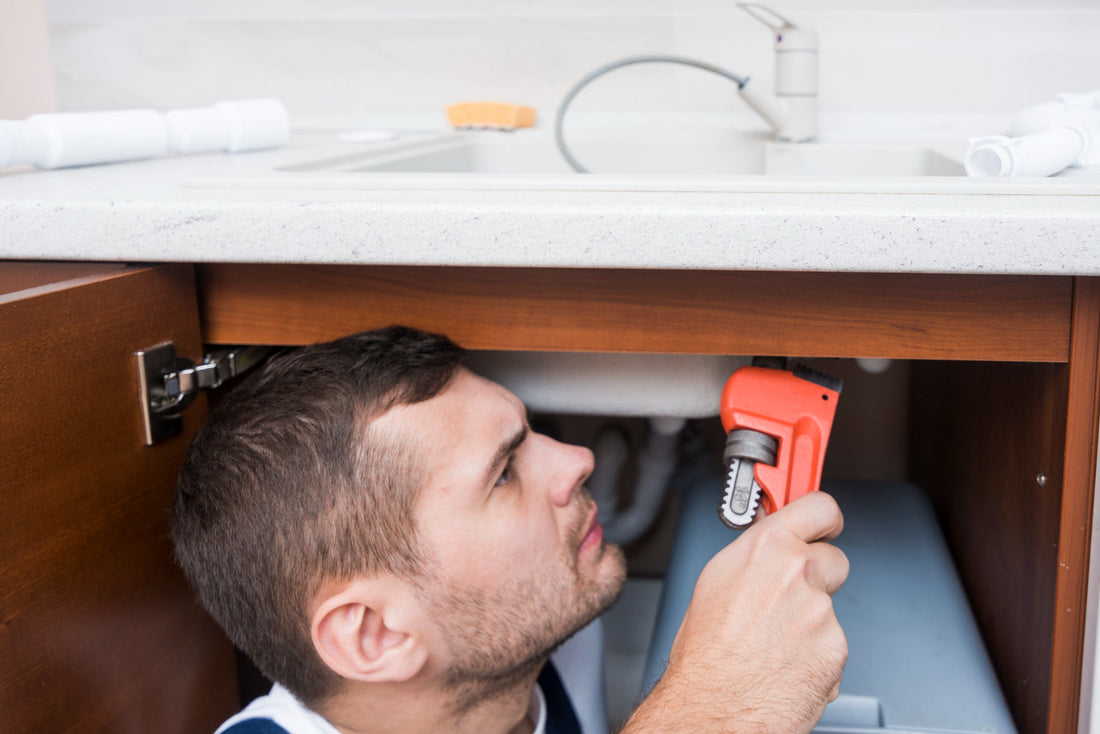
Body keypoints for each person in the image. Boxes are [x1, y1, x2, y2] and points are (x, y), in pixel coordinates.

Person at [172, 326, 849, 734]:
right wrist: (719, 703)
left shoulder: (552, 649)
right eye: (503, 473)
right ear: (374, 634)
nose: (576, 460)